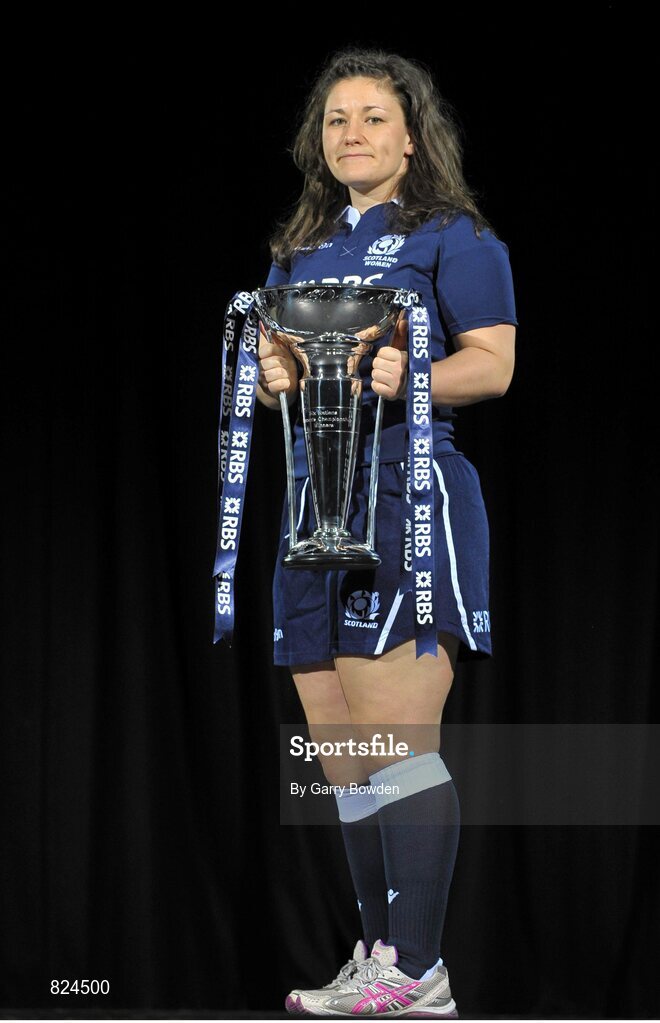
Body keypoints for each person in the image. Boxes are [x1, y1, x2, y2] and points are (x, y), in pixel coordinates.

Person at [255, 46, 517, 1019]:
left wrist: (415, 377)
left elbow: (491, 367)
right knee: (340, 746)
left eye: (372, 117)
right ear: (319, 144)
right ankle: (377, 957)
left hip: (407, 493)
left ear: (411, 137)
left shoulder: (454, 234)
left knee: (397, 739)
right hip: (316, 506)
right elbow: (288, 364)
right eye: (336, 120)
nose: (352, 134)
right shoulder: (300, 251)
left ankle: (422, 971)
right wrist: (278, 374)